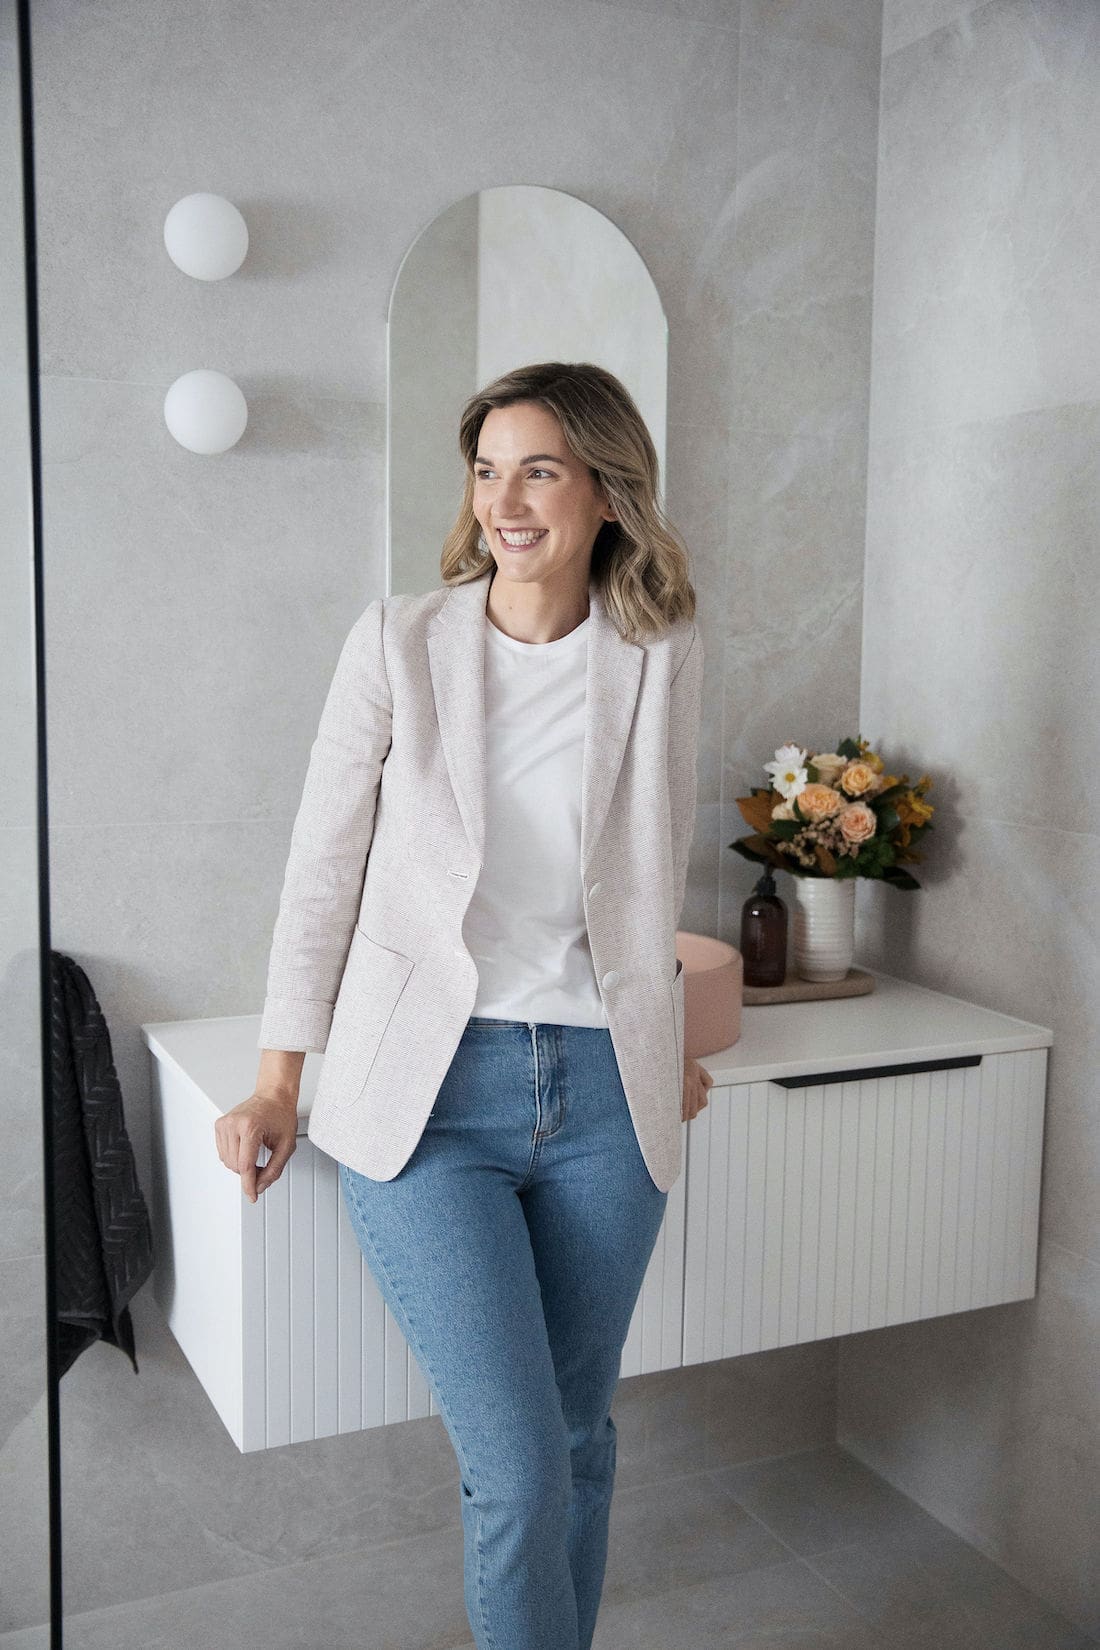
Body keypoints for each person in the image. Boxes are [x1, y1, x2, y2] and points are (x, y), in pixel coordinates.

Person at [215, 360, 713, 1650]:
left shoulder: (658, 650)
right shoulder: (399, 642)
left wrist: (663, 1044)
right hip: (433, 1094)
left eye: (538, 468)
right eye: (488, 470)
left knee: (579, 1434)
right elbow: (324, 864)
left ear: (607, 488)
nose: (505, 500)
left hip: (607, 1096)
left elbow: (654, 868)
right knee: (522, 1464)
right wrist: (280, 1076)